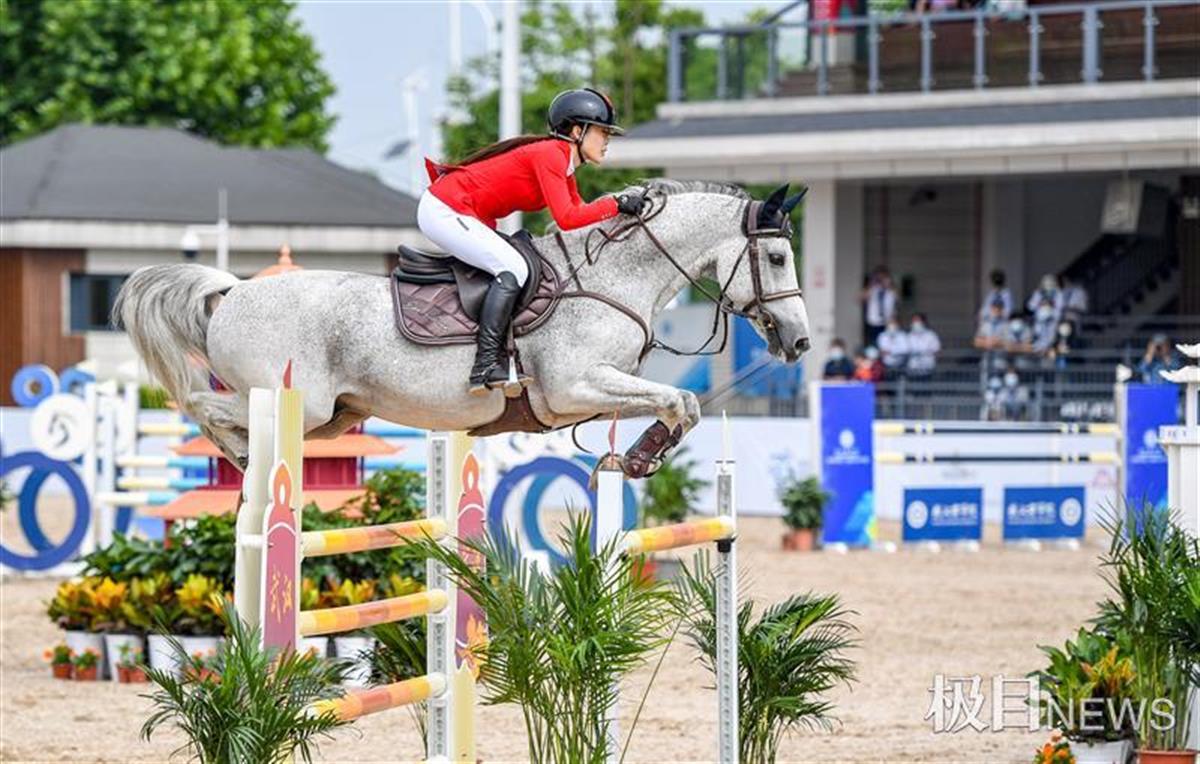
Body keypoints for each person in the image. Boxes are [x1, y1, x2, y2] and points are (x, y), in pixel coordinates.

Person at [419, 88, 646, 394]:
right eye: (603, 132)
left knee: (521, 263)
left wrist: (619, 215)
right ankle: (485, 364)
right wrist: (616, 204)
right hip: (445, 209)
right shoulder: (551, 154)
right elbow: (567, 218)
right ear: (578, 131)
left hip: (463, 213)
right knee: (515, 268)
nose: (606, 141)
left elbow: (578, 215)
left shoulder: (564, 164)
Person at [860, 266, 897, 349]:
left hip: (888, 324)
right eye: (879, 278)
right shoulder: (872, 289)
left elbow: (898, 298)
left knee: (887, 346)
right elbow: (861, 299)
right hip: (873, 323)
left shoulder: (891, 291)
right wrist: (871, 285)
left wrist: (889, 285)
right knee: (873, 346)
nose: (881, 280)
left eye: (883, 277)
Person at [973, 299, 1010, 377]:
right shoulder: (985, 323)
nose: (996, 310)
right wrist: (989, 342)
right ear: (991, 308)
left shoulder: (1006, 324)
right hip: (987, 362)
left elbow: (1008, 343)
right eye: (994, 307)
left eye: (999, 308)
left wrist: (995, 342)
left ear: (1002, 309)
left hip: (1001, 361)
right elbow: (976, 342)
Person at [905, 313, 941, 378]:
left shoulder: (931, 335)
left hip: (927, 368)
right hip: (912, 368)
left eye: (918, 321)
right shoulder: (908, 336)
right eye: (914, 321)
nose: (916, 323)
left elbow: (936, 350)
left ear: (923, 322)